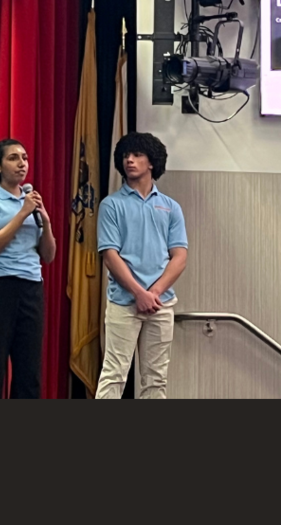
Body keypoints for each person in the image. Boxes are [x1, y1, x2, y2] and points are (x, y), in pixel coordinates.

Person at [95, 132, 188, 400]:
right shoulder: (111, 205)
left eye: (137, 155)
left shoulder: (170, 207)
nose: (129, 161)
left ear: (152, 162)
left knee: (156, 380)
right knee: (114, 374)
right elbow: (110, 255)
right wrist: (139, 293)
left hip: (161, 304)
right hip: (124, 303)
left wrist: (154, 293)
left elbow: (179, 256)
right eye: (125, 156)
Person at [0, 139, 56, 398]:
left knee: (29, 370)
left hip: (30, 286)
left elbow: (48, 256)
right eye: (13, 158)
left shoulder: (31, 199)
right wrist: (22, 213)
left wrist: (46, 222)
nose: (22, 164)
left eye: (25, 158)